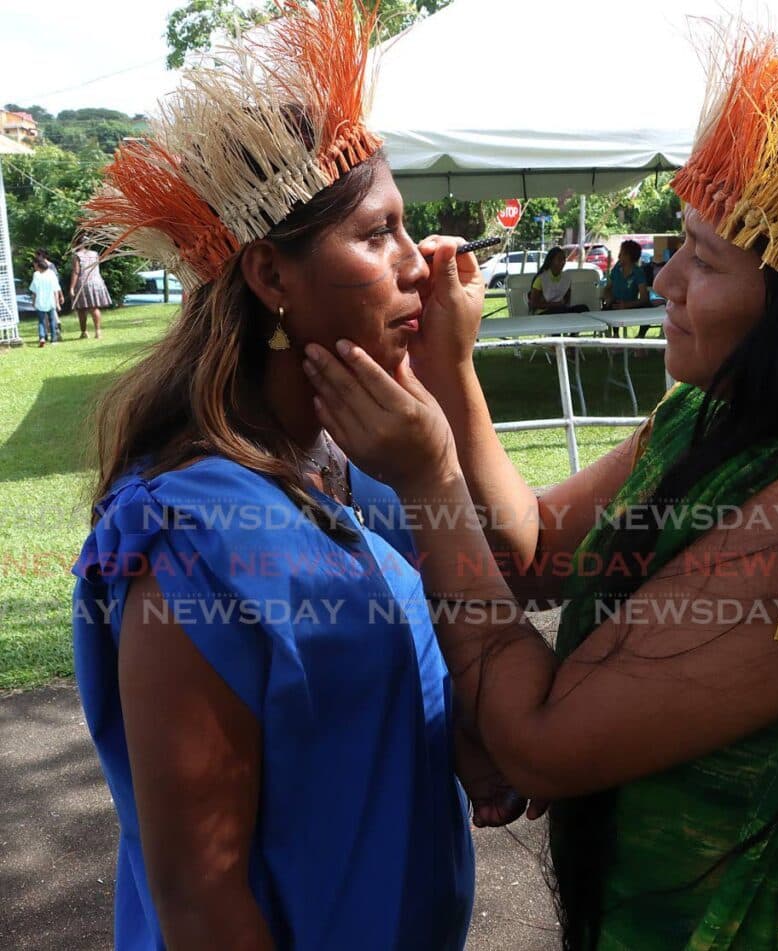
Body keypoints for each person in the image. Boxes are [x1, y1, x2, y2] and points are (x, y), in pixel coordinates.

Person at [302, 27, 778, 950]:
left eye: (704, 260)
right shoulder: (713, 418)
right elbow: (536, 549)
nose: (666, 279)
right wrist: (453, 372)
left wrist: (430, 477)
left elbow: (537, 738)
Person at [71, 2, 524, 947]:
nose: (420, 265)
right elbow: (201, 901)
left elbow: (492, 590)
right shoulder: (188, 537)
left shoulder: (369, 472)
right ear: (272, 278)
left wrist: (447, 384)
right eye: (379, 234)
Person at [529, 246, 590, 314]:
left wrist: (562, 304)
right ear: (551, 261)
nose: (563, 262)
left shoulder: (566, 278)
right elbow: (533, 304)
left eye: (564, 259)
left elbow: (567, 300)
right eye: (560, 259)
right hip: (544, 312)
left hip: (560, 309)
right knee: (559, 310)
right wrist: (553, 305)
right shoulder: (541, 279)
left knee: (583, 308)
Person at [70, 241, 112, 339]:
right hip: (97, 282)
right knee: (94, 308)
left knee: (81, 309)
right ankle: (98, 331)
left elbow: (76, 272)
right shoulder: (94, 254)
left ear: (76, 244)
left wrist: (72, 287)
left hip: (83, 283)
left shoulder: (77, 255)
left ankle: (84, 332)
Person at [29, 255, 62, 347]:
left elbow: (34, 291)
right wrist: (57, 303)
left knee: (41, 321)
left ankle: (42, 337)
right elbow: (56, 289)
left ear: (38, 266)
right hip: (50, 301)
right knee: (52, 320)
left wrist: (33, 301)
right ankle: (54, 339)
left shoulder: (36, 275)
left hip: (40, 301)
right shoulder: (51, 274)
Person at [35, 247, 64, 339]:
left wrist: (60, 294)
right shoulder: (48, 266)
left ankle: (52, 331)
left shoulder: (45, 266)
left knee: (48, 313)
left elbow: (55, 282)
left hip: (48, 292)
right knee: (50, 312)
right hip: (50, 291)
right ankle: (50, 331)